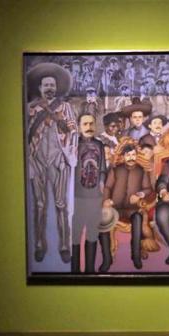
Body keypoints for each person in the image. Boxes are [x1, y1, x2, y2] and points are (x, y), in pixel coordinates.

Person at [26, 62, 77, 263]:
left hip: (58, 159)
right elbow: (25, 134)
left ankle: (64, 246)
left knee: (61, 204)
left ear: (57, 88)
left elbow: (73, 130)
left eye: (52, 85)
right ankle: (40, 245)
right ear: (40, 87)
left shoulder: (65, 107)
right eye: (46, 85)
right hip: (36, 159)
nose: (50, 88)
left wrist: (69, 152)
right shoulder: (31, 108)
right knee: (39, 204)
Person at [71, 114, 107, 273]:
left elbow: (103, 168)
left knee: (92, 233)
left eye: (91, 123)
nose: (89, 127)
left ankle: (90, 271)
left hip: (95, 197)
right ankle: (74, 271)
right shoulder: (73, 144)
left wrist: (102, 182)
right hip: (76, 197)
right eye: (85, 124)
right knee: (75, 234)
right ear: (79, 126)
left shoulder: (99, 145)